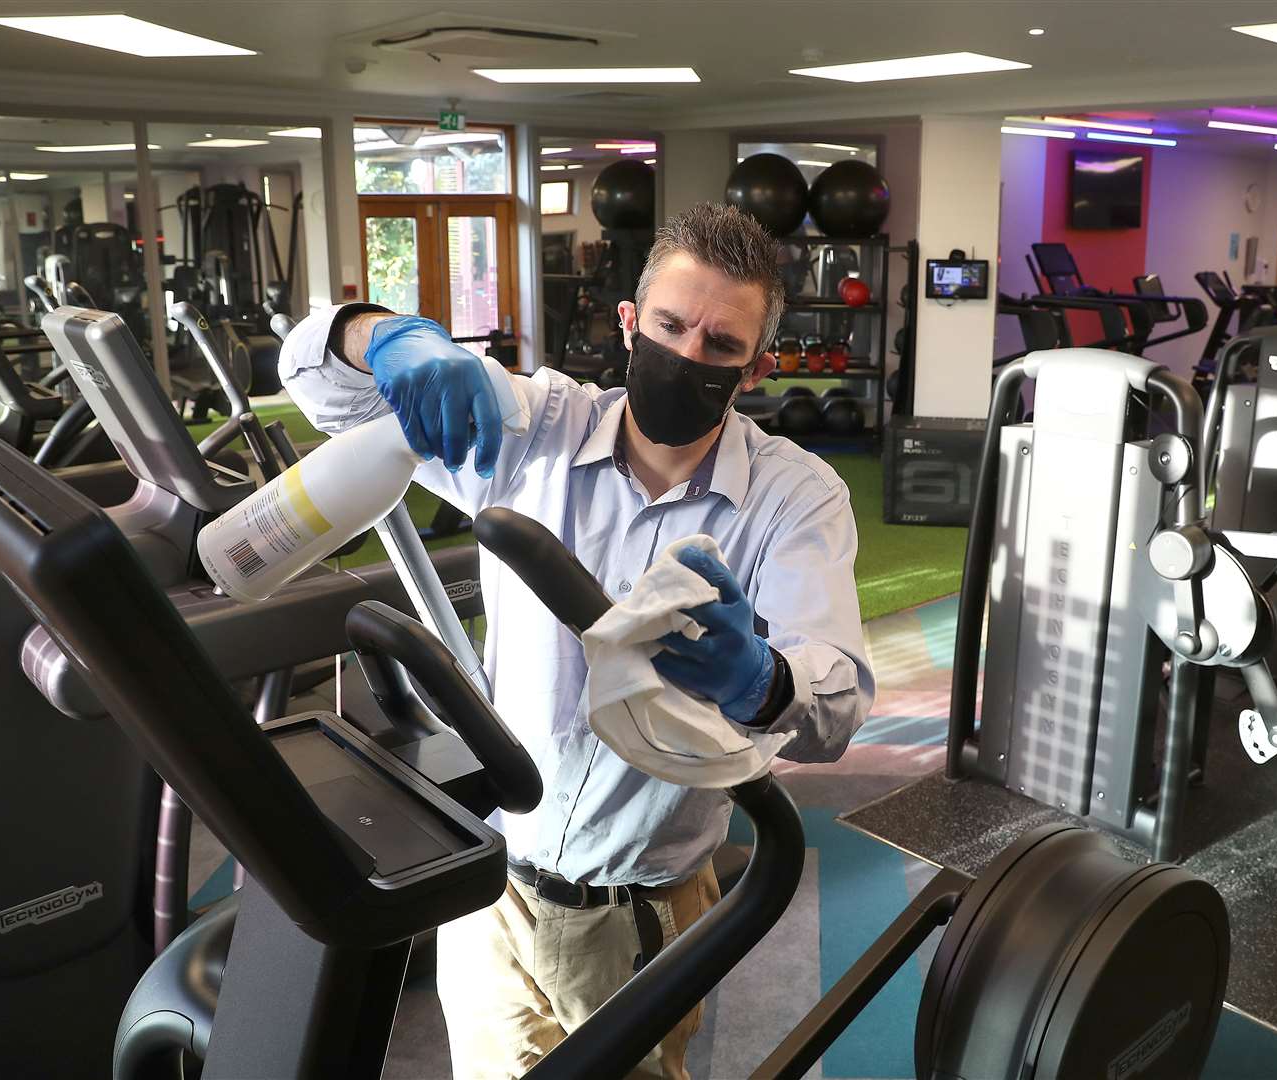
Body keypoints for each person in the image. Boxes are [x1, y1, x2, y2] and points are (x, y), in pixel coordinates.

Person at [278, 202, 873, 1079]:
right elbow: (314, 382)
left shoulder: (794, 496)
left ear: (751, 370)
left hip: (639, 911)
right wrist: (391, 337)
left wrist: (759, 679)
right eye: (671, 326)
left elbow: (835, 706)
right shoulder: (535, 426)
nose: (688, 356)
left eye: (720, 346)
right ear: (629, 322)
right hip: (491, 886)